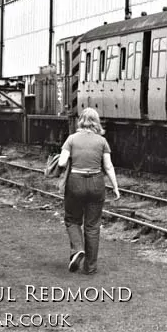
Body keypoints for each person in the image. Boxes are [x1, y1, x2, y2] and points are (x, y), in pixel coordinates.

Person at [57, 108, 120, 274]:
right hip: (96, 183)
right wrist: (115, 186)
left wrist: (67, 156)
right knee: (92, 226)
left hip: (75, 183)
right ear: (96, 122)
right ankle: (90, 268)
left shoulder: (71, 139)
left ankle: (77, 249)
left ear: (81, 121)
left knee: (72, 220)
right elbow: (108, 166)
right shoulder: (102, 141)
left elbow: (62, 163)